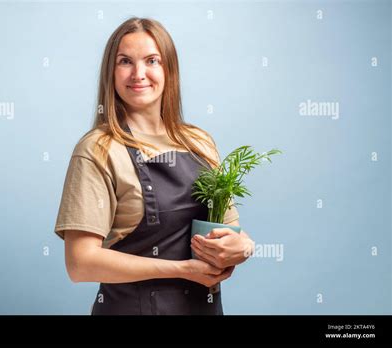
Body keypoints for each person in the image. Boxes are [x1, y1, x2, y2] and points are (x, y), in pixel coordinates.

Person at [54, 17, 255, 315]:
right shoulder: (98, 149)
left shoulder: (199, 142)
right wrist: (182, 270)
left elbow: (230, 228)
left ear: (169, 70)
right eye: (125, 61)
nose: (139, 74)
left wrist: (244, 248)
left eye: (152, 60)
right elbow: (80, 263)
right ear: (111, 72)